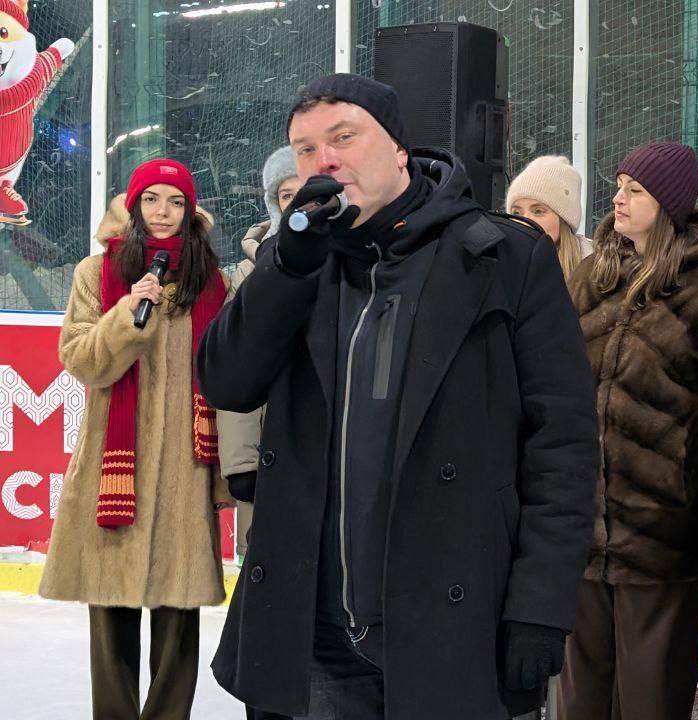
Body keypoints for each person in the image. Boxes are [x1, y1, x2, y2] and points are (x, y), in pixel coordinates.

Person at [196, 74, 599, 720]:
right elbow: (225, 379)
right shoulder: (298, 259)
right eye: (304, 149)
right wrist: (288, 266)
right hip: (316, 638)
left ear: (400, 149)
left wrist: (540, 603)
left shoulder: (504, 257)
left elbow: (565, 446)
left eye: (343, 137)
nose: (322, 160)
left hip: (454, 622)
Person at [38, 159, 231, 718]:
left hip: (183, 472)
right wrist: (129, 312)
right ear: (134, 206)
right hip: (113, 469)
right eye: (152, 200)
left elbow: (230, 365)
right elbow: (82, 361)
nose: (163, 212)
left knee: (178, 625)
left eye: (175, 202)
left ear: (190, 211)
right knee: (111, 620)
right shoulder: (95, 273)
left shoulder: (209, 280)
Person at [558, 142, 698, 719]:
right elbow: (557, 397)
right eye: (619, 185)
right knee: (580, 698)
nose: (618, 199)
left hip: (662, 530)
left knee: (650, 699)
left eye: (635, 189)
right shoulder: (592, 277)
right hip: (580, 529)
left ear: (667, 203)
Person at [217, 145, 301, 557]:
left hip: (335, 448)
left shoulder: (358, 258)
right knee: (264, 571)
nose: (296, 202)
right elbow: (238, 368)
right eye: (286, 195)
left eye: (305, 190)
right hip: (270, 450)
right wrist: (241, 462)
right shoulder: (251, 271)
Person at [506, 155, 593, 280]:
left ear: (564, 219)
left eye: (538, 211)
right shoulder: (497, 267)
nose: (525, 221)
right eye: (516, 213)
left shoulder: (598, 274)